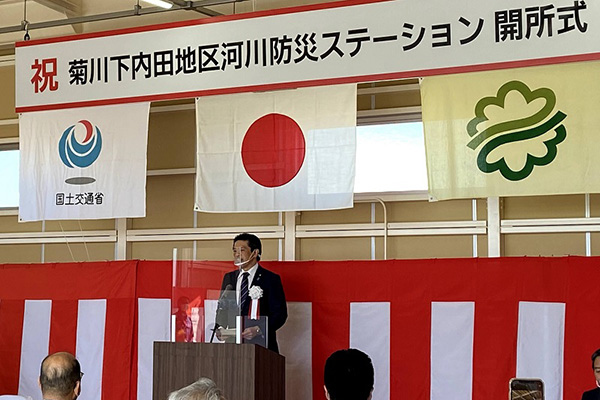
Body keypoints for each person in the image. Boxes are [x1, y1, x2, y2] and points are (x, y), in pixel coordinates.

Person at [215, 233, 287, 353]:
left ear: (254, 253)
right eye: (234, 251)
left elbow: (280, 314)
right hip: (232, 346)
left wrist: (259, 329)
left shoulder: (270, 279)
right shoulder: (229, 278)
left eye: (242, 250)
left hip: (261, 345)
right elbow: (222, 307)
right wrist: (220, 327)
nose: (237, 254)